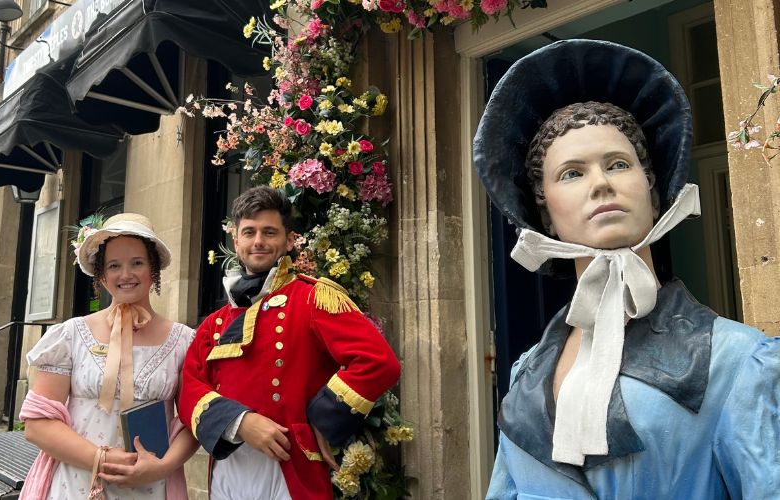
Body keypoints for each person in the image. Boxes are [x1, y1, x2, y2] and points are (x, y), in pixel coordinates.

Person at [474, 40, 780, 499]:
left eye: (618, 164)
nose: (600, 184)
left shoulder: (736, 361)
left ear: (653, 191)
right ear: (546, 215)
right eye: (572, 173)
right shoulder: (526, 373)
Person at [178, 186, 401, 499]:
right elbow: (189, 389)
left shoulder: (313, 298)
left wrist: (323, 422)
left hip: (293, 468)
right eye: (250, 232)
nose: (258, 241)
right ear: (236, 240)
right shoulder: (214, 323)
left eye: (270, 232)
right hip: (228, 471)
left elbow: (378, 362)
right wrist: (241, 422)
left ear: (289, 240)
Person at [20, 213, 199, 499]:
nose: (125, 275)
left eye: (137, 263)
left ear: (153, 268)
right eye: (114, 265)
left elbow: (194, 419)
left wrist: (162, 467)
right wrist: (100, 458)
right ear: (102, 275)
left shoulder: (184, 341)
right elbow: (37, 425)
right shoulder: (71, 335)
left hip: (150, 487)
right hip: (75, 483)